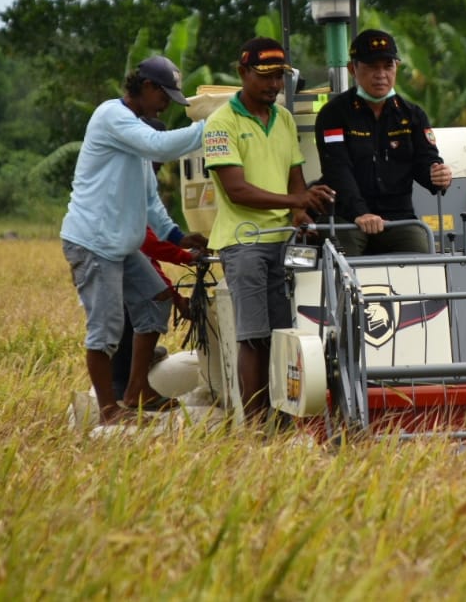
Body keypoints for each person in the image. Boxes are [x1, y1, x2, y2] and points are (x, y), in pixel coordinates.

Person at [60, 55, 206, 426]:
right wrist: (214, 127)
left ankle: (138, 389)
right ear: (147, 87)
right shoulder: (113, 117)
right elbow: (160, 146)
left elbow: (150, 201)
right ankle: (109, 411)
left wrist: (178, 236)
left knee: (157, 298)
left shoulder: (135, 135)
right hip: (94, 244)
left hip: (121, 246)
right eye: (164, 96)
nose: (166, 105)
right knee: (105, 331)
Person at [202, 37, 335, 423]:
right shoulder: (220, 124)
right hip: (244, 243)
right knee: (255, 337)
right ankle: (257, 426)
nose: (274, 85)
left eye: (279, 76)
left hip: (283, 241)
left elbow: (297, 178)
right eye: (265, 76)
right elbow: (237, 190)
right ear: (242, 73)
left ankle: (284, 422)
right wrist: (297, 202)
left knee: (285, 336)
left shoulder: (285, 119)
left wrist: (301, 216)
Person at [314, 29, 452, 256]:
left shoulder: (413, 115)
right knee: (339, 264)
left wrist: (438, 176)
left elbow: (425, 162)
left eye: (388, 66)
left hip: (398, 218)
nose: (381, 74)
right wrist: (360, 213)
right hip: (346, 217)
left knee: (424, 260)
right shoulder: (333, 114)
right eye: (371, 67)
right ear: (353, 69)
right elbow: (337, 169)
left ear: (396, 67)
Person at [110, 117, 208, 404]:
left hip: (120, 258)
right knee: (141, 310)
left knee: (142, 309)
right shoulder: (131, 177)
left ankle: (129, 382)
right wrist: (184, 256)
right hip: (113, 258)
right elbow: (145, 241)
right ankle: (126, 389)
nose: (160, 165)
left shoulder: (137, 174)